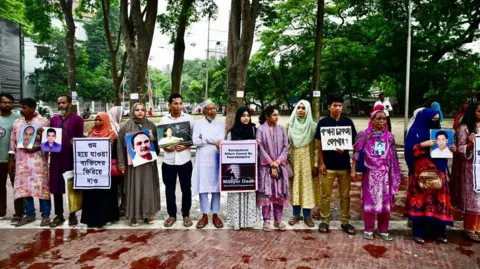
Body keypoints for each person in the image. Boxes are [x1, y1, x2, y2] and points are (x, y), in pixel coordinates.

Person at [404, 108, 454, 244]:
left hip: (439, 173)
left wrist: (451, 148)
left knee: (439, 202)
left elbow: (445, 154)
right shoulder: (415, 132)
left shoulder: (440, 134)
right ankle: (418, 232)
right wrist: (421, 145)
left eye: (437, 120)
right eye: (433, 120)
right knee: (420, 202)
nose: (435, 123)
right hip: (420, 175)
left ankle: (439, 232)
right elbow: (408, 153)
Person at [351, 109, 401, 241]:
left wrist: (395, 173)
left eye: (384, 119)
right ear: (372, 120)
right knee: (371, 200)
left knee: (385, 202)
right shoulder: (364, 135)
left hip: (386, 174)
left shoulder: (389, 137)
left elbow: (394, 156)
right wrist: (353, 169)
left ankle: (383, 229)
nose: (381, 121)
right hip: (370, 174)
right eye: (378, 118)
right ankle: (368, 228)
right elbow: (356, 153)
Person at [316, 94, 357, 235]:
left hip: (344, 165)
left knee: (345, 195)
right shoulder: (323, 123)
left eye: (340, 105)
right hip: (328, 165)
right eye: (335, 105)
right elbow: (319, 145)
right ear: (329, 107)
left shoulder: (348, 122)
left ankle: (345, 221)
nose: (338, 108)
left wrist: (346, 149)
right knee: (326, 195)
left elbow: (355, 144)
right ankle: (324, 220)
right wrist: (321, 163)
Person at [8, 98, 51, 227]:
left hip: (38, 159)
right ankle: (30, 214)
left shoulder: (43, 121)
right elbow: (12, 142)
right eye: (20, 107)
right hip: (21, 159)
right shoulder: (17, 122)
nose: (21, 110)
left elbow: (51, 144)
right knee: (24, 188)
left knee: (42, 188)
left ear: (32, 108)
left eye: (25, 107)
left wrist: (40, 139)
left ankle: (45, 215)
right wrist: (11, 158)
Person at [117, 103, 161, 227]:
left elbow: (158, 147)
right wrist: (121, 163)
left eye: (142, 110)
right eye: (137, 110)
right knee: (133, 188)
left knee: (148, 188)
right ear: (132, 111)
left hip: (148, 164)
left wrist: (153, 140)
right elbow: (120, 145)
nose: (140, 112)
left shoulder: (151, 125)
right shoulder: (126, 126)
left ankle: (148, 214)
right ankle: (134, 215)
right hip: (133, 165)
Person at [159, 93, 194, 228]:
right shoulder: (163, 120)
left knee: (187, 188)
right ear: (169, 105)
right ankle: (172, 215)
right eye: (175, 103)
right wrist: (166, 148)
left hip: (185, 160)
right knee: (169, 189)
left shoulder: (189, 119)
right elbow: (161, 141)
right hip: (169, 161)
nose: (179, 106)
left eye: (180, 103)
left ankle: (186, 214)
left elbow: (192, 139)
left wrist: (186, 145)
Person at [49, 95, 84, 227]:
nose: (60, 105)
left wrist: (76, 141)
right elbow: (49, 136)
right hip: (56, 158)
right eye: (59, 103)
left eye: (63, 102)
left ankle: (73, 214)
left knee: (71, 186)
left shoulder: (77, 119)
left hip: (70, 157)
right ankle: (59, 215)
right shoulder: (53, 120)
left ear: (69, 104)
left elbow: (80, 137)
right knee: (56, 186)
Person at [81, 112, 120, 228]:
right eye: (96, 120)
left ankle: (106, 217)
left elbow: (116, 153)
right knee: (91, 194)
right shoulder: (91, 132)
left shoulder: (111, 134)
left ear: (106, 121)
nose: (97, 122)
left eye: (100, 120)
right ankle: (91, 219)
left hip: (106, 171)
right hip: (92, 170)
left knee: (106, 195)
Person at [226, 106, 261, 230]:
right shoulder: (232, 132)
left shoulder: (254, 130)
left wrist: (258, 143)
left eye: (248, 115)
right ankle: (236, 221)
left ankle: (249, 221)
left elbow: (259, 149)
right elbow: (227, 150)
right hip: (236, 168)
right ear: (238, 117)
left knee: (249, 192)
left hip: (250, 169)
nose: (246, 118)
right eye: (243, 115)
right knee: (237, 192)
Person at [192, 100, 225, 229]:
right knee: (203, 187)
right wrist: (211, 139)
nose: (212, 111)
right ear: (204, 111)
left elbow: (221, 140)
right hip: (202, 158)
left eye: (214, 108)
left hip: (216, 157)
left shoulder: (220, 124)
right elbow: (195, 141)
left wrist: (204, 137)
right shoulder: (198, 124)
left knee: (216, 186)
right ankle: (204, 215)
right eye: (209, 109)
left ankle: (215, 214)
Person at [286, 100, 319, 227]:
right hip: (293, 161)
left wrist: (315, 164)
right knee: (295, 187)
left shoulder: (312, 127)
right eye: (298, 107)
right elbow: (285, 144)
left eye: (303, 108)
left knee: (307, 188)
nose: (300, 110)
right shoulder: (289, 125)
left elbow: (316, 147)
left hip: (308, 162)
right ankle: (295, 215)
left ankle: (307, 216)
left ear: (308, 110)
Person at [256, 106, 289, 231]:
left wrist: (277, 162)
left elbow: (286, 147)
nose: (277, 117)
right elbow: (260, 148)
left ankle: (278, 220)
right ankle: (266, 220)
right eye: (274, 115)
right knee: (266, 194)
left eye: (277, 114)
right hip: (265, 168)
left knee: (279, 194)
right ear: (267, 116)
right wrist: (271, 163)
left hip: (280, 167)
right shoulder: (259, 130)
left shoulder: (281, 130)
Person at [456, 103, 480, 242]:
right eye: (479, 111)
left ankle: (478, 227)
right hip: (471, 169)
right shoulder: (464, 128)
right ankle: (469, 228)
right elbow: (459, 149)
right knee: (473, 199)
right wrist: (471, 144)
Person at [0, 93, 23, 224]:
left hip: (15, 159)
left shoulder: (18, 118)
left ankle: (19, 212)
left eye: (9, 102)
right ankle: (1, 212)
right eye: (4, 102)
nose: (7, 104)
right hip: (0, 160)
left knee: (18, 187)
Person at [107, 106, 125, 215]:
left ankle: (120, 207)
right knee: (116, 186)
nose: (122, 117)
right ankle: (115, 208)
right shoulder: (111, 127)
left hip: (119, 160)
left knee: (120, 186)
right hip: (113, 160)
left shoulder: (118, 126)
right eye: (121, 114)